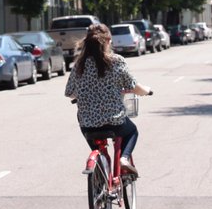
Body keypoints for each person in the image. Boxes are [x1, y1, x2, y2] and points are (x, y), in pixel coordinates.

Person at [64, 23, 152, 176]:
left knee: (94, 141)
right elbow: (133, 86)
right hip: (115, 122)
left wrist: (84, 93)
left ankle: (100, 167)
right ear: (108, 41)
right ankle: (124, 159)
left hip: (88, 125)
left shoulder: (80, 64)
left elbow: (69, 92)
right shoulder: (116, 61)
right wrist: (148, 91)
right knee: (132, 131)